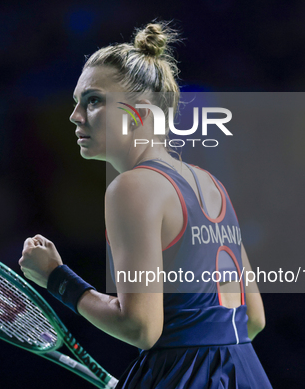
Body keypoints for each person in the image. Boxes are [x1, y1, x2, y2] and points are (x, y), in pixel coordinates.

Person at [19, 21, 272, 388]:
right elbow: (253, 319)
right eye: (77, 102)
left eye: (92, 101)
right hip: (245, 372)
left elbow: (141, 327)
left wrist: (56, 278)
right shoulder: (211, 184)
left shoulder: (132, 188)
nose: (75, 116)